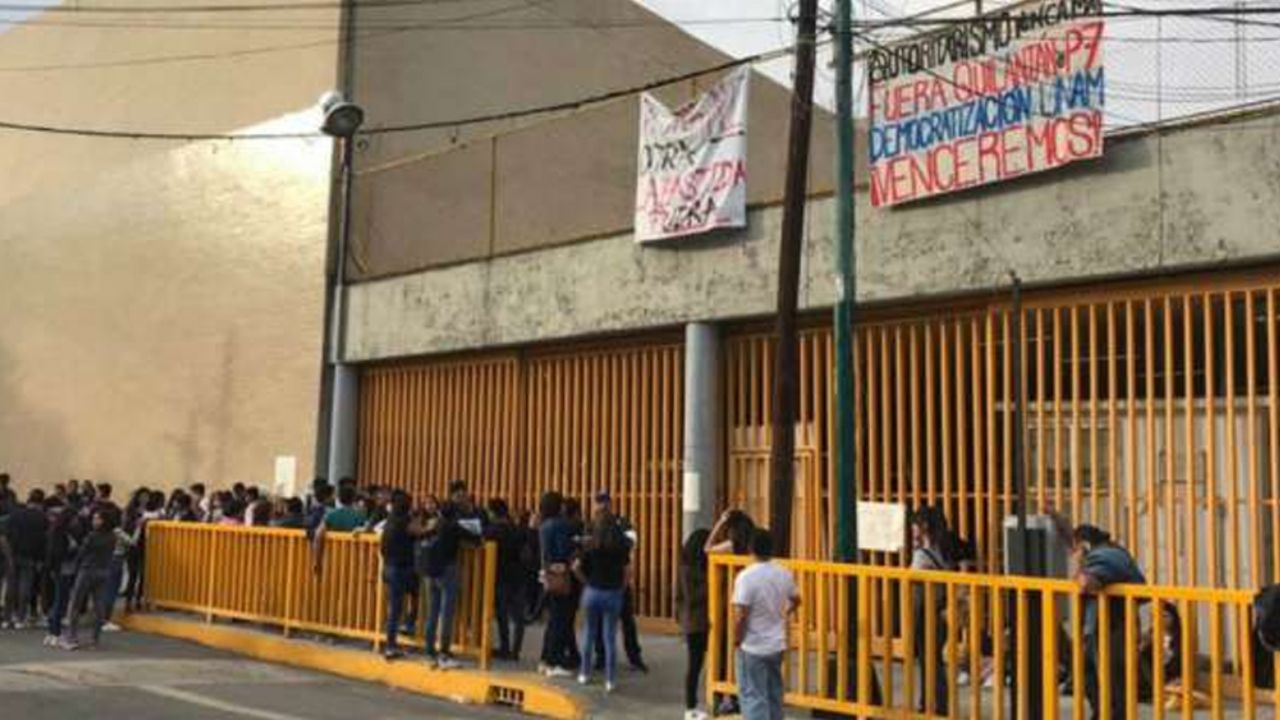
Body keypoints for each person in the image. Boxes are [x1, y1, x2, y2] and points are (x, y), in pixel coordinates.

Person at [1075, 524, 1144, 720]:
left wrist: (1080, 570)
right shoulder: (1111, 551)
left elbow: (1088, 582)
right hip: (1104, 626)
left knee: (1112, 681)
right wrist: (1053, 515)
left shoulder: (1106, 556)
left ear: (1085, 545)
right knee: (1093, 675)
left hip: (1112, 626)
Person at [732, 529, 797, 720]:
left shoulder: (746, 577)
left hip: (752, 645)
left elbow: (741, 615)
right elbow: (796, 598)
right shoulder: (783, 573)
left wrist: (737, 639)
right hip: (777, 643)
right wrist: (784, 612)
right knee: (774, 694)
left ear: (751, 549)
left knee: (753, 697)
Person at [417, 483, 479, 670]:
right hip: (448, 570)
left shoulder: (434, 524)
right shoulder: (453, 527)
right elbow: (476, 539)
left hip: (429, 570)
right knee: (447, 612)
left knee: (432, 612)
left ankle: (429, 650)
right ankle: (444, 651)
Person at [590, 491, 646, 673]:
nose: (601, 506)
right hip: (609, 580)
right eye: (599, 503)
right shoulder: (593, 525)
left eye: (603, 502)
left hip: (611, 580)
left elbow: (632, 543)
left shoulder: (620, 522)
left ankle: (632, 657)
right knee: (609, 621)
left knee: (625, 621)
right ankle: (603, 657)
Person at [575, 509, 630, 692]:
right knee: (609, 638)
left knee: (589, 634)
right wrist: (621, 588)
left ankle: (584, 673)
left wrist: (586, 582)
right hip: (613, 593)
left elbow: (576, 567)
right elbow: (627, 572)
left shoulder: (590, 545)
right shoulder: (621, 545)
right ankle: (610, 680)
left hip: (592, 591)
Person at [909, 506, 954, 715]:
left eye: (915, 524)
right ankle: (933, 703)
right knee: (933, 661)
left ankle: (932, 704)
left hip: (927, 614)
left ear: (924, 527)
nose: (912, 528)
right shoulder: (941, 550)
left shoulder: (922, 556)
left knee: (929, 662)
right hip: (938, 613)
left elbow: (914, 579)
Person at [60, 506, 119, 650]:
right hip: (103, 571)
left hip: (87, 571)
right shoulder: (113, 537)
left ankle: (71, 638)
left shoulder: (92, 536)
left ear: (103, 521)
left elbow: (82, 553)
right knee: (99, 606)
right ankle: (94, 639)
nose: (94, 520)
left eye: (96, 518)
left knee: (75, 604)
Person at [538, 491, 578, 677]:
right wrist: (576, 545)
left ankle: (545, 660)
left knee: (553, 619)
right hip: (561, 574)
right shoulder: (560, 525)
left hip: (548, 573)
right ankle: (554, 662)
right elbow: (563, 551)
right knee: (561, 620)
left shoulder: (544, 525)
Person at [380, 490, 422, 659]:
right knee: (397, 607)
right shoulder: (404, 521)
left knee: (400, 603)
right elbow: (419, 532)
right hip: (401, 568)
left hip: (389, 567)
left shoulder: (390, 519)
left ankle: (405, 627)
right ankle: (392, 643)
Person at [486, 498, 527, 661]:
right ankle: (516, 651)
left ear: (492, 513)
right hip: (518, 576)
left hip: (499, 576)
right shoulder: (517, 530)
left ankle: (504, 647)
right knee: (518, 616)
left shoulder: (491, 531)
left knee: (501, 615)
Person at [677, 528, 712, 720]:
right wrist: (712, 583)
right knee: (695, 665)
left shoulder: (694, 566)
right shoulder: (688, 569)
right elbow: (691, 597)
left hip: (698, 622)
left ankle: (699, 704)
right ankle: (690, 708)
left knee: (701, 663)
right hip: (696, 623)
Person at [6, 489, 49, 629]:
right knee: (25, 587)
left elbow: (8, 534)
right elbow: (43, 540)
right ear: (41, 503)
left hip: (13, 554)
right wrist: (41, 559)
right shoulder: (42, 518)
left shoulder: (16, 514)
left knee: (11, 586)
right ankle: (20, 617)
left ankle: (8, 617)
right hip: (31, 556)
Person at [44, 502, 82, 645]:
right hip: (62, 570)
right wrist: (73, 552)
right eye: (74, 518)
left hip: (63, 569)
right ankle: (55, 632)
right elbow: (58, 553)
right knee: (60, 601)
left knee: (58, 601)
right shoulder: (59, 533)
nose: (76, 521)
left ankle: (52, 632)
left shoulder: (64, 532)